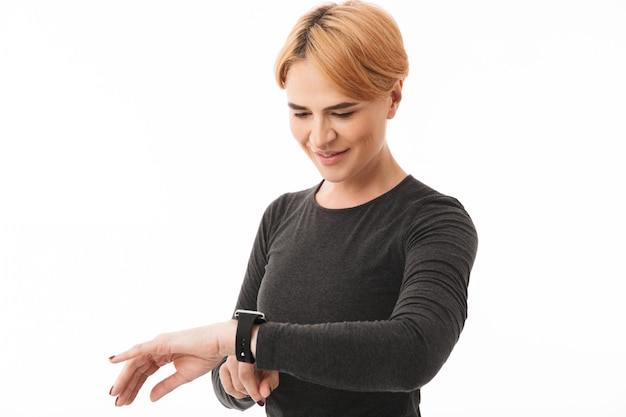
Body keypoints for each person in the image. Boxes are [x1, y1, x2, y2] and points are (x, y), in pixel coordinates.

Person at [108, 1, 478, 416]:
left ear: (393, 96)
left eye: (342, 111)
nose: (319, 136)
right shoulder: (281, 216)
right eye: (301, 113)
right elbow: (242, 357)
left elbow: (414, 352)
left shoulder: (433, 221)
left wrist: (234, 341)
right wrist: (235, 377)